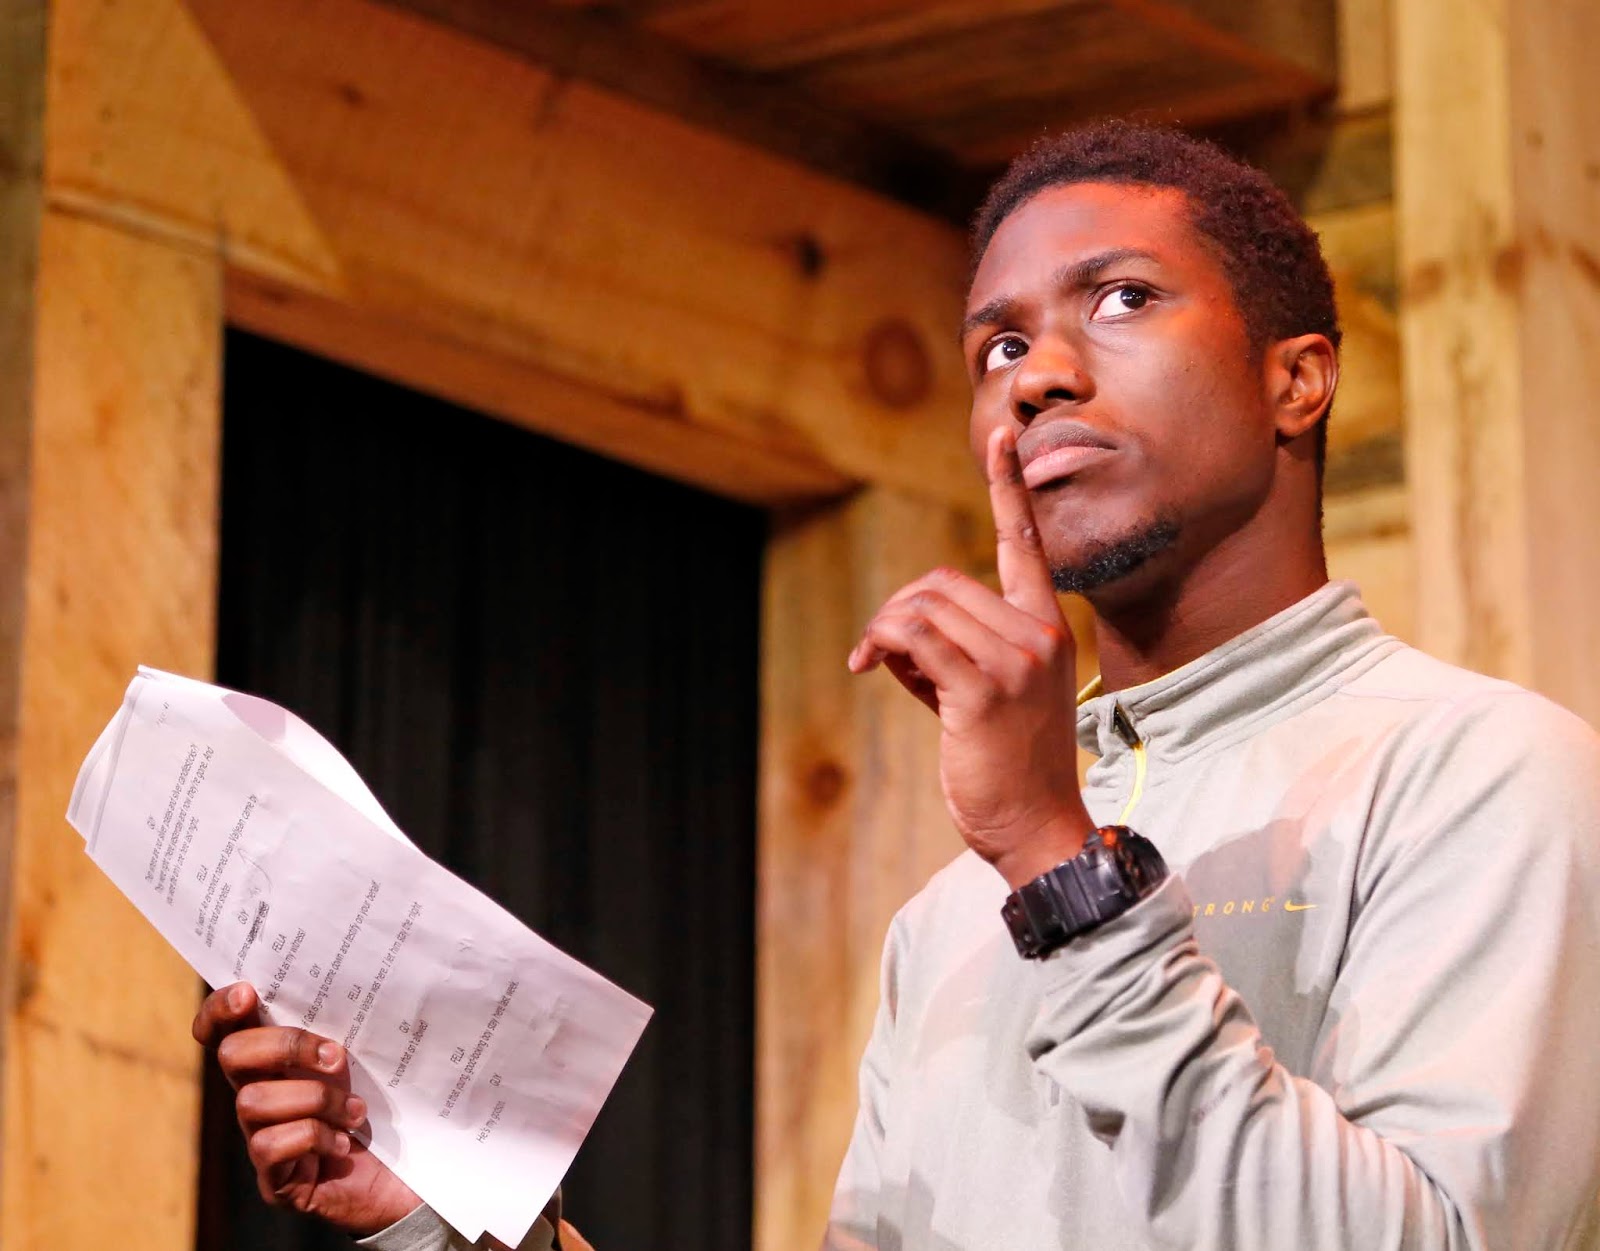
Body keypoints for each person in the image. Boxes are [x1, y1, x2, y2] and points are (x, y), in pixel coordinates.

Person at [193, 120, 1600, 1250]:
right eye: (1000, 347)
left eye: (1122, 299)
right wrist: (448, 1222)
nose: (1039, 377)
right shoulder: (950, 919)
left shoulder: (1482, 774)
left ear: (1300, 380)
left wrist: (1062, 865)